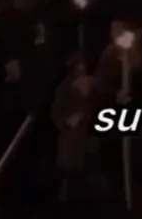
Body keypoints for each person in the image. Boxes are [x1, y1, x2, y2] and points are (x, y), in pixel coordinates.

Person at [52, 57, 98, 203]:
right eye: (79, 65)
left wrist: (84, 114)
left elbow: (93, 106)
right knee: (67, 170)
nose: (81, 68)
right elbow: (57, 113)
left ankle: (81, 199)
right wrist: (67, 122)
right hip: (68, 136)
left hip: (83, 136)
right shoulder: (63, 88)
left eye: (83, 65)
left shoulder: (88, 85)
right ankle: (65, 199)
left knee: (82, 171)